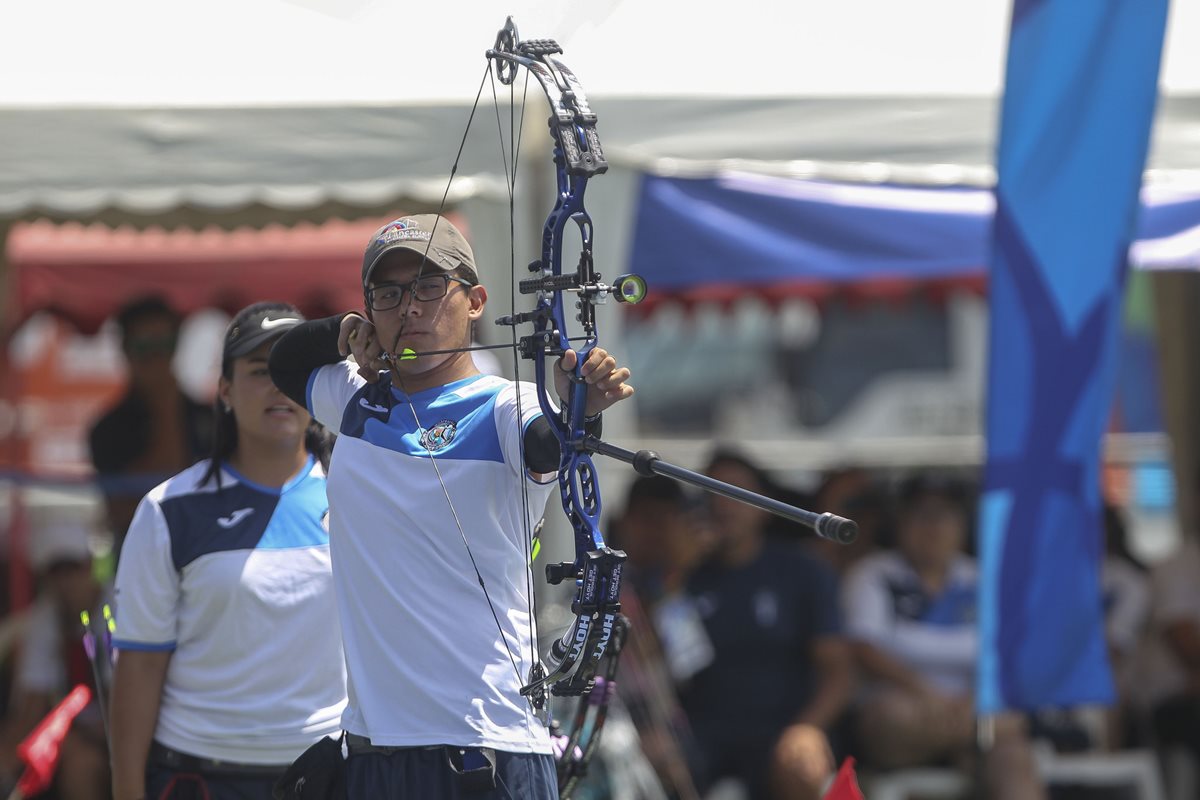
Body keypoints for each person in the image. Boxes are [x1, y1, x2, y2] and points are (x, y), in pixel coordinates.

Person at [267, 214, 635, 800]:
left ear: (476, 301)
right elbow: (282, 360)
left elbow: (549, 440)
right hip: (373, 751)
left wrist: (576, 404)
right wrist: (342, 329)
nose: (410, 308)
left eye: (429, 287)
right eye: (388, 294)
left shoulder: (506, 408)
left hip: (485, 752)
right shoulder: (355, 401)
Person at [110, 302, 346, 800]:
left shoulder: (360, 496)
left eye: (290, 371)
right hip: (199, 778)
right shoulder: (169, 509)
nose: (278, 386)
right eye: (260, 372)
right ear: (223, 391)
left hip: (330, 773)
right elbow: (140, 665)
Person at [840, 474, 1046, 800]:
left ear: (963, 524)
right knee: (900, 717)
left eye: (945, 515)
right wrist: (926, 693)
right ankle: (967, 750)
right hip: (902, 711)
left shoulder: (981, 579)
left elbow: (1007, 655)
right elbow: (864, 648)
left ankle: (967, 750)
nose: (933, 526)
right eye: (921, 514)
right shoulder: (873, 574)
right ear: (900, 523)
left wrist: (971, 699)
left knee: (1013, 749)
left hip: (970, 708)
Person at [678, 449, 852, 800]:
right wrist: (677, 571)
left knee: (802, 766)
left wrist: (808, 728)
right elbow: (654, 665)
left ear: (763, 505)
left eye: (736, 492)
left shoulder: (802, 571)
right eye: (713, 493)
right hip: (702, 731)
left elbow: (839, 671)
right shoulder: (685, 576)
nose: (724, 506)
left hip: (783, 725)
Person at [89, 296, 214, 555]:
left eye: (165, 344)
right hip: (139, 557)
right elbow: (125, 509)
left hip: (205, 553)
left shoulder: (208, 416)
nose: (157, 357)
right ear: (125, 350)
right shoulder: (107, 428)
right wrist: (165, 406)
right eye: (145, 346)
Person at [3, 519, 109, 800]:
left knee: (80, 763)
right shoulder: (45, 617)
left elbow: (128, 697)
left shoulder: (119, 607)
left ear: (88, 565)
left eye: (71, 567)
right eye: (55, 571)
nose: (65, 580)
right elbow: (31, 706)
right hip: (71, 732)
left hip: (124, 728)